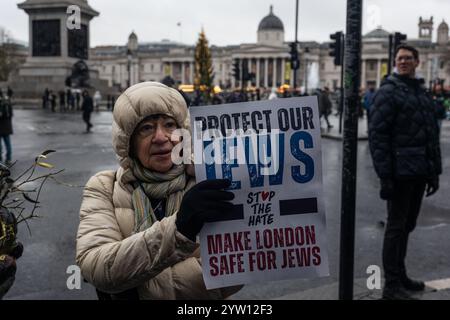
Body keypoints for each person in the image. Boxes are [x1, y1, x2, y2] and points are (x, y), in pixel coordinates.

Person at [76, 82, 242, 299]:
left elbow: (234, 271)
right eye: (146, 128)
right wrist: (178, 229)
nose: (161, 137)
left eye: (169, 125)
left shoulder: (209, 181)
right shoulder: (103, 187)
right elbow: (96, 265)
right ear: (128, 140)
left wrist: (135, 286)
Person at [368, 45, 442, 300]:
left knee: (407, 225)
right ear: (394, 62)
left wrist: (434, 172)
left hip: (419, 170)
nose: (403, 61)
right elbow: (378, 138)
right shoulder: (387, 93)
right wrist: (385, 176)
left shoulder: (420, 92)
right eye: (400, 58)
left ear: (417, 62)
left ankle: (400, 275)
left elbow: (430, 134)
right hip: (399, 172)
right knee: (396, 227)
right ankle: (391, 286)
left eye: (408, 58)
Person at [0, 94, 13, 165]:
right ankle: (8, 158)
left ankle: (1, 159)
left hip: (2, 127)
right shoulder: (8, 104)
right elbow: (11, 115)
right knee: (8, 144)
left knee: (2, 145)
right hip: (7, 127)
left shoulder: (2, 105)